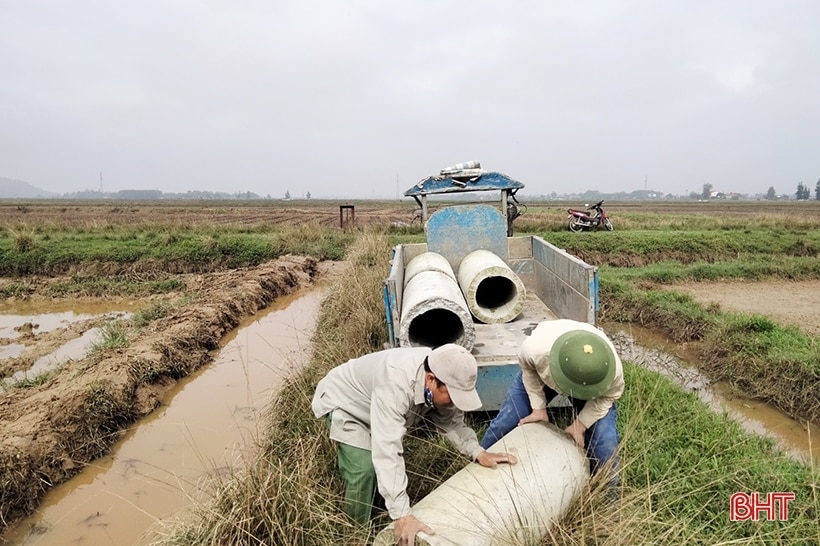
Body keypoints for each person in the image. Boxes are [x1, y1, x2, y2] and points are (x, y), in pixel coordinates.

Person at [312, 343, 518, 545]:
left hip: (379, 406)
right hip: (349, 404)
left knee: (381, 470)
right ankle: (356, 535)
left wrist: (477, 452)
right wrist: (402, 515)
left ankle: (380, 505)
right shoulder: (395, 383)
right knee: (364, 469)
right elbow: (388, 450)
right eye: (453, 396)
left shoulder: (442, 373)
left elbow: (451, 424)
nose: (455, 403)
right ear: (431, 379)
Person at [481, 319, 623, 482]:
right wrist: (538, 409)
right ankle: (474, 464)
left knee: (605, 443)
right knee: (506, 422)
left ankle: (606, 496)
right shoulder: (536, 350)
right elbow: (528, 369)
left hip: (593, 390)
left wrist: (579, 426)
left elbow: (607, 397)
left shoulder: (612, 373)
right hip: (543, 373)